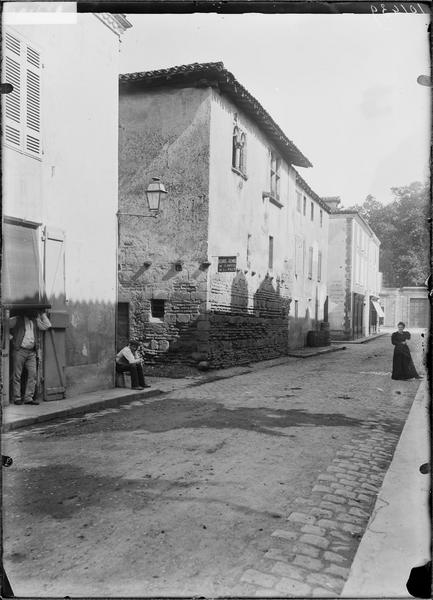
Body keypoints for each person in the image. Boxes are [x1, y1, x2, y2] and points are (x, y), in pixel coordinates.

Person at [9, 310, 51, 405]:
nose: (33, 312)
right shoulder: (16, 319)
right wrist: (11, 338)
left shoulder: (35, 320)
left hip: (31, 352)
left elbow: (47, 325)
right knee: (17, 375)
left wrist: (42, 314)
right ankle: (17, 398)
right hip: (19, 350)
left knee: (33, 375)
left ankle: (28, 398)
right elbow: (3, 324)